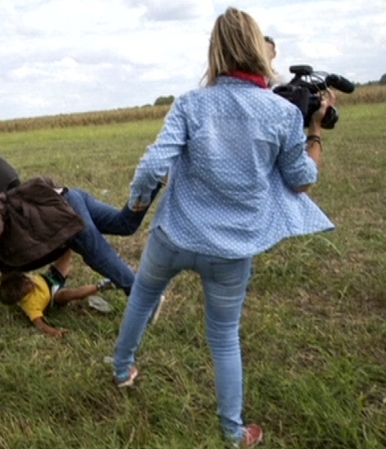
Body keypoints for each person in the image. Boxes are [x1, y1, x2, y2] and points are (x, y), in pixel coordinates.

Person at [111, 7, 336, 449]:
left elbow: (156, 162)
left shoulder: (191, 104)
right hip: (232, 250)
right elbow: (302, 179)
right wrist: (314, 130)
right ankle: (233, 432)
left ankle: (122, 369)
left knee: (142, 298)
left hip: (173, 234)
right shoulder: (281, 113)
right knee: (223, 336)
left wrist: (138, 202)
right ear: (258, 49)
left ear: (215, 51)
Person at [0, 175, 162, 296]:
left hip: (62, 214)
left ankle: (144, 297)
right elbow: (12, 272)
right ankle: (152, 182)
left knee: (96, 253)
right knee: (123, 224)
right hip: (67, 197)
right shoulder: (1, 254)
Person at [0, 249, 115, 337]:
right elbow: (39, 324)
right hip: (54, 296)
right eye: (28, 287)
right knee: (70, 295)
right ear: (21, 297)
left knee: (65, 252)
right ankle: (101, 285)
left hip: (50, 278)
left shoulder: (18, 280)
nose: (30, 283)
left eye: (27, 280)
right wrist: (54, 332)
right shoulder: (30, 306)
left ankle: (72, 240)